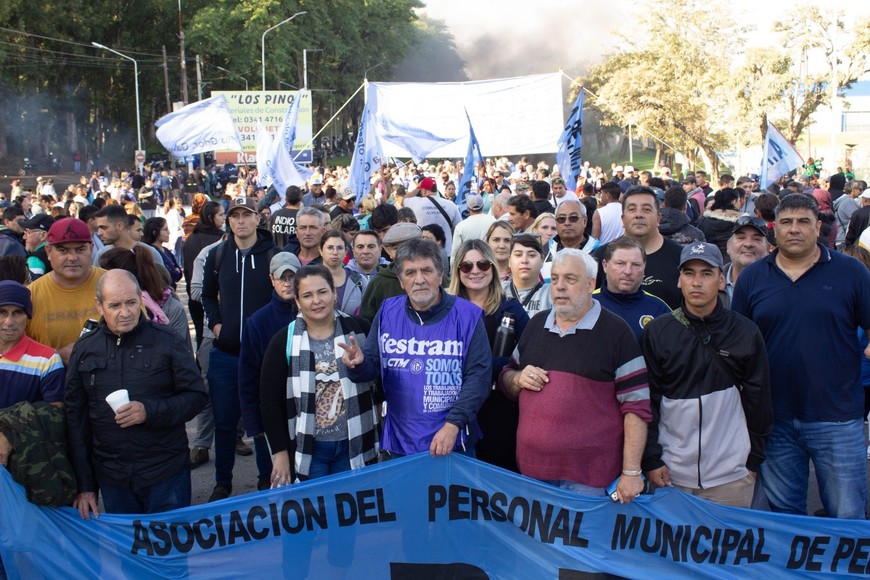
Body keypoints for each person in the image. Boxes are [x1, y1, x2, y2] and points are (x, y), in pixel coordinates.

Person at [732, 194, 870, 519]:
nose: (795, 229)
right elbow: (739, 345)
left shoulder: (851, 272)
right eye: (787, 222)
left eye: (803, 222)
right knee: (784, 518)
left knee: (847, 516)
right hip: (774, 417)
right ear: (774, 229)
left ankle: (845, 573)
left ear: (818, 227)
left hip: (837, 416)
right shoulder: (752, 278)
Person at [498, 249, 651, 502]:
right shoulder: (536, 325)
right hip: (533, 472)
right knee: (534, 543)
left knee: (584, 542)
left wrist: (631, 471)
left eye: (570, 279)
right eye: (555, 278)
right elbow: (507, 376)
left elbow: (637, 406)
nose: (559, 287)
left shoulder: (616, 333)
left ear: (591, 283)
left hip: (590, 479)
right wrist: (517, 379)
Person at [65, 270, 207, 518]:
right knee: (127, 554)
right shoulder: (85, 348)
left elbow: (196, 397)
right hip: (112, 479)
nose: (125, 312)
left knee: (170, 553)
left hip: (165, 473)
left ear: (141, 299)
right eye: (115, 305)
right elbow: (76, 420)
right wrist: (86, 485)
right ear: (99, 305)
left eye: (131, 302)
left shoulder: (167, 341)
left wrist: (149, 411)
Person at [640, 242, 773, 507]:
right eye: (689, 273)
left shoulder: (745, 332)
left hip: (731, 476)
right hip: (671, 474)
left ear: (721, 280)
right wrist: (652, 459)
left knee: (727, 549)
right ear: (679, 280)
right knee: (672, 549)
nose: (696, 281)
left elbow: (760, 400)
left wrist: (752, 461)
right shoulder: (658, 332)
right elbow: (647, 402)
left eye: (706, 273)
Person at [342, 239, 491, 457]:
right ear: (401, 280)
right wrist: (358, 364)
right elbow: (372, 366)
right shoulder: (387, 311)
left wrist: (453, 424)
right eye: (410, 272)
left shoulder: (468, 315)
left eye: (427, 271)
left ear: (440, 275)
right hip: (400, 442)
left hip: (453, 441)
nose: (419, 280)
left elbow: (479, 377)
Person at [260, 265, 380, 483]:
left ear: (334, 293)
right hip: (310, 450)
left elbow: (378, 380)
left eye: (322, 292)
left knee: (348, 511)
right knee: (318, 513)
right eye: (307, 295)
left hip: (353, 443)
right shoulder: (283, 341)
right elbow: (269, 402)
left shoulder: (359, 329)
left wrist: (361, 366)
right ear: (297, 301)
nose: (316, 300)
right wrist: (280, 454)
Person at [201, 197, 277, 502]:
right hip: (226, 353)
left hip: (262, 357)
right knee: (224, 421)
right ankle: (223, 482)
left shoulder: (273, 255)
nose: (241, 221)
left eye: (247, 215)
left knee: (262, 422)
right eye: (235, 216)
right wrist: (217, 325)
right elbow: (206, 295)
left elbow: (283, 298)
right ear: (228, 221)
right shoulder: (218, 255)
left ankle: (264, 478)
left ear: (257, 219)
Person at [449, 240, 529, 471]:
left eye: (483, 265)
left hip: (500, 408)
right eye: (467, 266)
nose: (475, 271)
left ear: (493, 268)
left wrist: (483, 367)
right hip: (456, 407)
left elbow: (529, 353)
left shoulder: (511, 309)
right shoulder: (446, 311)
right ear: (458, 271)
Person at [238, 252, 302, 491]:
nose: (287, 283)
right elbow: (247, 378)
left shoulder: (314, 313)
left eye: (292, 277)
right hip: (272, 418)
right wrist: (255, 425)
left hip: (306, 416)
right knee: (273, 480)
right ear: (271, 280)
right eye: (281, 277)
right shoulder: (257, 321)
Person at [26, 218, 105, 365]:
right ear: (48, 252)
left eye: (80, 249)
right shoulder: (30, 296)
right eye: (63, 250)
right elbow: (15, 354)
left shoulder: (114, 285)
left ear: (91, 249)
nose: (72, 257)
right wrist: (58, 357)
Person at [593, 186, 683, 309]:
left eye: (646, 209)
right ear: (623, 219)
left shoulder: (680, 257)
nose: (639, 215)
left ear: (658, 218)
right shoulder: (600, 256)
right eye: (632, 209)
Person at [99, 246, 189, 342]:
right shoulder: (104, 304)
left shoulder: (171, 308)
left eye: (132, 303)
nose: (125, 313)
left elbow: (179, 349)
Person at [593, 236, 671, 340]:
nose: (628, 271)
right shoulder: (588, 304)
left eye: (636, 265)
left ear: (644, 267)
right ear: (605, 266)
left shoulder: (659, 309)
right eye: (620, 263)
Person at [358, 223, 422, 322]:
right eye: (396, 249)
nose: (402, 254)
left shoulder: (433, 276)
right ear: (389, 251)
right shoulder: (378, 283)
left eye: (408, 248)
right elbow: (367, 323)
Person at [182, 202, 225, 349]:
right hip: (213, 301)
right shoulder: (220, 242)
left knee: (201, 339)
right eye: (220, 214)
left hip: (195, 299)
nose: (223, 218)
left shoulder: (191, 238)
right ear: (210, 217)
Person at [403, 177, 462, 253]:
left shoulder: (416, 203)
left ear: (423, 190)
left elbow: (404, 199)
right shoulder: (450, 204)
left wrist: (418, 187)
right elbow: (459, 227)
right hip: (446, 251)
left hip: (423, 252)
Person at [93, 204, 162, 266]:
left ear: (119, 226)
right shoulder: (102, 254)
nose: (99, 233)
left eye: (103, 228)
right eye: (98, 228)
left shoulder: (150, 253)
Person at [503, 233, 552, 319]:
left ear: (542, 260)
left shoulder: (552, 293)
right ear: (509, 260)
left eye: (531, 255)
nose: (524, 260)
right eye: (518, 255)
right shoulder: (498, 291)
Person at [320, 229, 367, 315]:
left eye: (340, 248)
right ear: (320, 251)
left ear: (346, 252)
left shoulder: (359, 280)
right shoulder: (310, 279)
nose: (335, 252)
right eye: (330, 248)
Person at [724, 216, 770, 301]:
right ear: (728, 246)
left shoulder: (778, 286)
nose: (748, 244)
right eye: (741, 238)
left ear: (768, 248)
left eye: (757, 239)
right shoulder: (712, 283)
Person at [697, 188, 742, 262]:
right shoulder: (741, 222)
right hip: (733, 262)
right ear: (734, 201)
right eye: (739, 200)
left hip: (709, 260)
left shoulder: (704, 220)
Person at [143, 217, 183, 289]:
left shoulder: (166, 250)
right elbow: (167, 276)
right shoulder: (151, 252)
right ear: (155, 232)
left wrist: (176, 272)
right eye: (165, 229)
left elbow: (179, 272)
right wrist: (175, 272)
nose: (169, 232)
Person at [20, 214, 54, 280]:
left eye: (28, 232)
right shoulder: (59, 252)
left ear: (43, 235)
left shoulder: (35, 259)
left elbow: (33, 287)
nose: (24, 237)